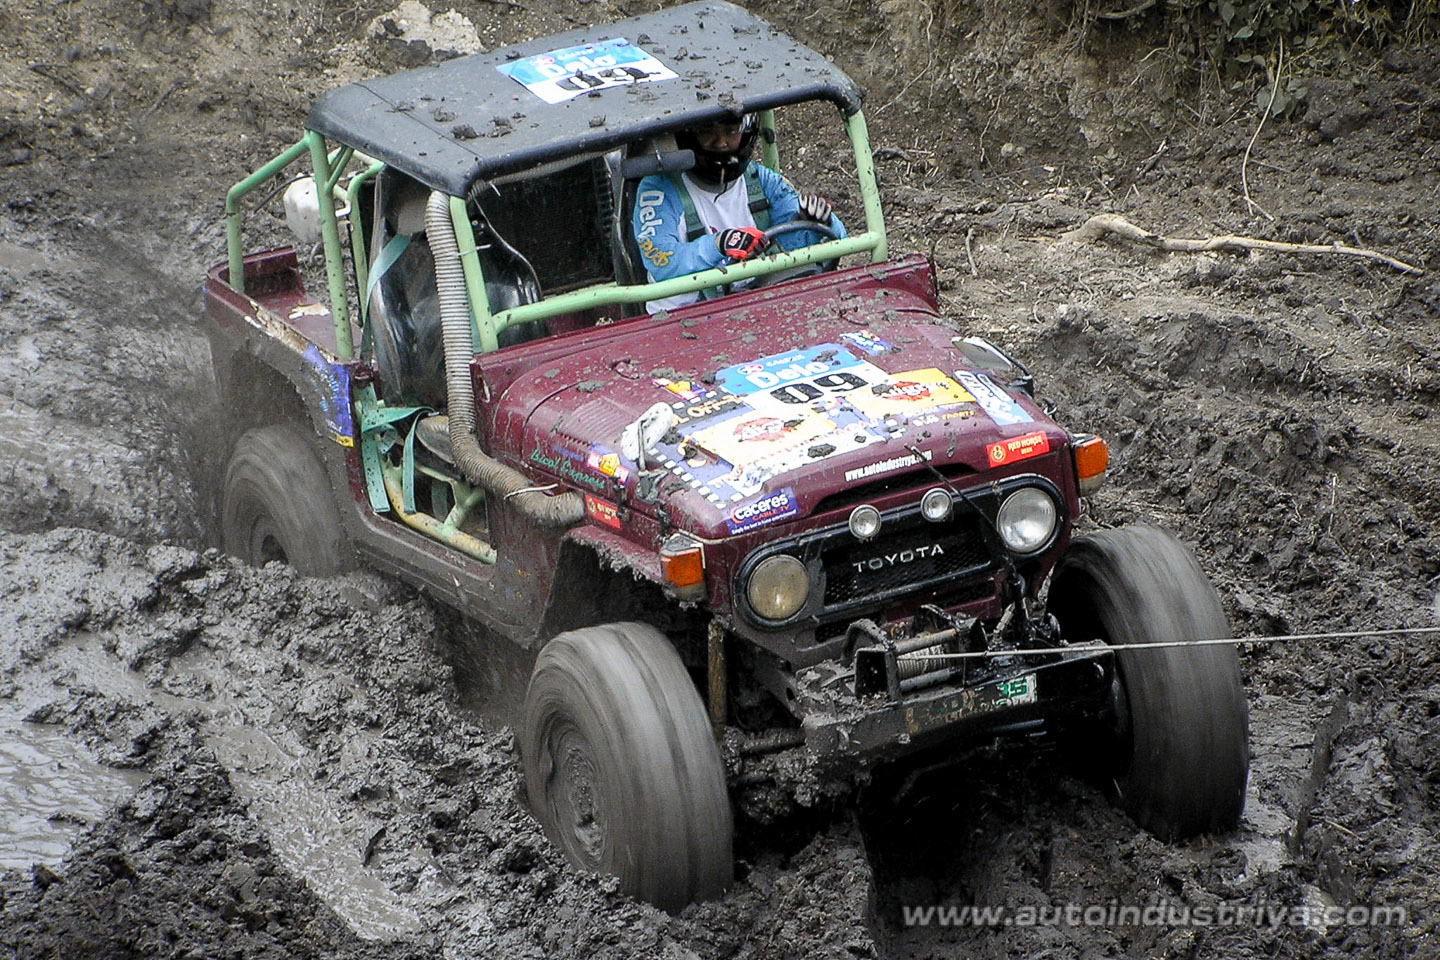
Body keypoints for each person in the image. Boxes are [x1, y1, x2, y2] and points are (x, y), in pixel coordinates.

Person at [631, 114, 845, 312]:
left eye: (731, 131)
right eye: (707, 132)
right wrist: (718, 244)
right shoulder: (658, 190)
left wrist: (821, 223)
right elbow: (662, 263)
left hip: (754, 301)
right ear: (688, 136)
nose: (721, 142)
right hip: (682, 316)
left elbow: (793, 241)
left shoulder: (761, 179)